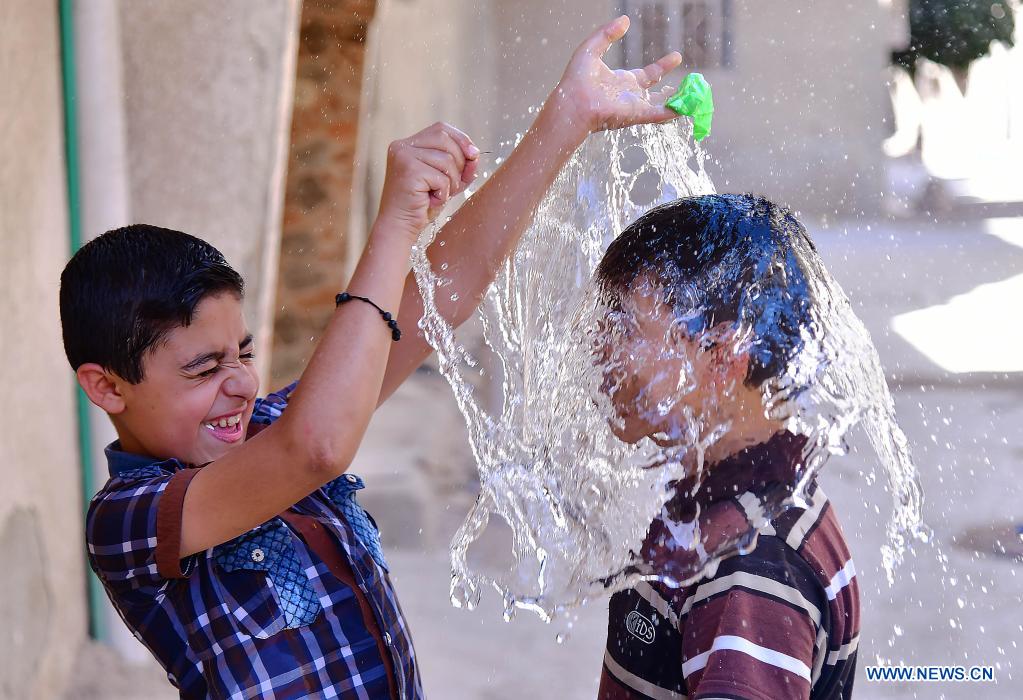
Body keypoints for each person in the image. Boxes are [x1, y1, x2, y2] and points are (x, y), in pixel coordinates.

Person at [60, 17, 684, 699]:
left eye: (242, 352)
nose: (240, 382)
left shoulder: (271, 424)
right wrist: (394, 225)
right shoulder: (129, 519)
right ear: (106, 387)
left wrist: (564, 123)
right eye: (203, 369)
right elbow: (316, 450)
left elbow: (438, 300)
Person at [592, 194, 860, 700]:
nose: (598, 349)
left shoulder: (751, 569)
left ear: (722, 357)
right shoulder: (728, 505)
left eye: (625, 328)